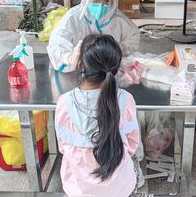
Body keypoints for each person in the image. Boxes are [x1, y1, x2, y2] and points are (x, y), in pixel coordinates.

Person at [55, 35, 140, 196]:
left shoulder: (64, 102)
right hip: (120, 190)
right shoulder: (126, 100)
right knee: (134, 162)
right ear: (116, 68)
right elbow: (132, 144)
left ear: (80, 65)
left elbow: (63, 147)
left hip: (78, 189)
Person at [47, 0, 140, 73]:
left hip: (108, 72)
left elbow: (133, 39)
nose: (101, 4)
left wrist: (121, 48)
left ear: (113, 1)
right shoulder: (73, 17)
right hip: (78, 72)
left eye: (107, 0)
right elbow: (56, 43)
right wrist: (70, 58)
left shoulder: (119, 20)